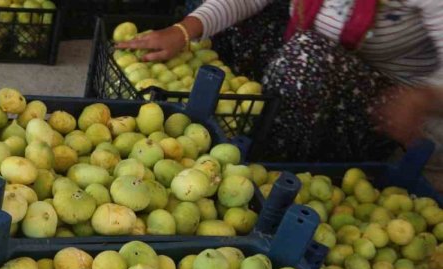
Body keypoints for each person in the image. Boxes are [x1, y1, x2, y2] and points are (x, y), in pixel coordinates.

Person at [118, 0, 443, 162]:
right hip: (307, 63)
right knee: (212, 15)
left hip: (387, 107)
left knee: (306, 56)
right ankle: (257, 109)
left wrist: (418, 99)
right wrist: (183, 30)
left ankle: (270, 161)